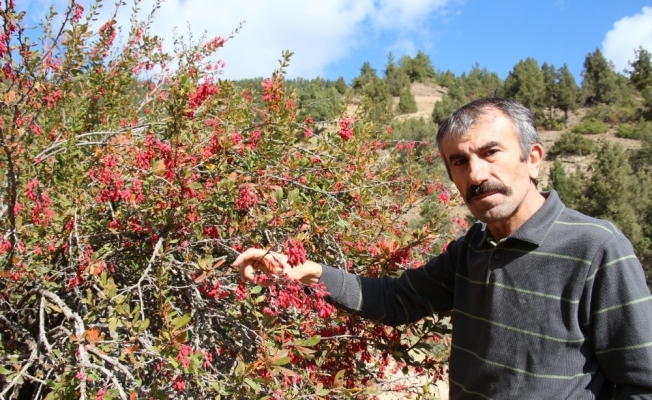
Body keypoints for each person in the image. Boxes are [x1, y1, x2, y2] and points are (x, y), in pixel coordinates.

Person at [233, 97, 652, 399]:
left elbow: (641, 381)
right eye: (459, 161)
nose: (477, 174)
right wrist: (310, 272)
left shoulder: (596, 248)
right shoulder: (473, 246)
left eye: (491, 153)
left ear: (533, 157)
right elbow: (397, 299)